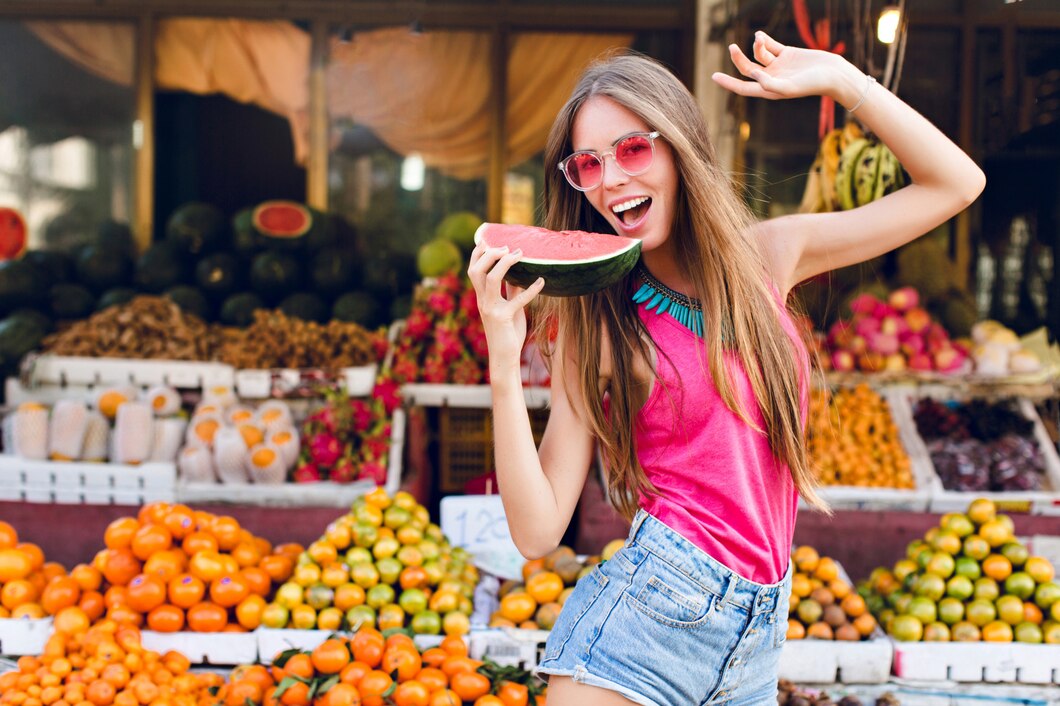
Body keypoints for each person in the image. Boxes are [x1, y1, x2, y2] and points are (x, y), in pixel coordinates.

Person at [467, 31, 984, 706]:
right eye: (587, 166)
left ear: (679, 148)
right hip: (639, 633)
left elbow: (956, 183)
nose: (613, 179)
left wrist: (841, 81)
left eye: (631, 150)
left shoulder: (769, 255)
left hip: (757, 641)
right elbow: (537, 533)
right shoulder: (595, 324)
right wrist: (505, 370)